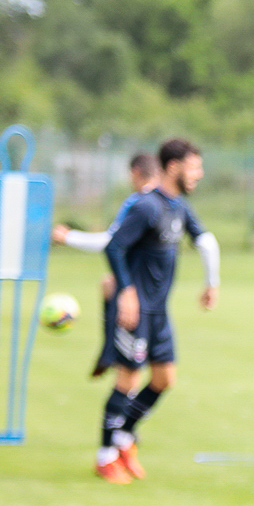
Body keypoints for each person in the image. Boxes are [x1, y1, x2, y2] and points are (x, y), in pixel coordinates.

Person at [94, 139, 219, 483]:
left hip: (159, 313)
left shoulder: (179, 207)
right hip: (135, 311)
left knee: (164, 379)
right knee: (128, 379)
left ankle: (123, 437)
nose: (199, 174)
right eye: (194, 166)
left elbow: (203, 240)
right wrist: (127, 292)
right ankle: (105, 457)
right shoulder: (146, 206)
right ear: (174, 166)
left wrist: (211, 282)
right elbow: (114, 246)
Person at [52, 152, 160, 387]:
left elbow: (110, 242)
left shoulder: (139, 202)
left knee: (129, 371)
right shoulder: (168, 202)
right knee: (109, 283)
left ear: (134, 173)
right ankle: (109, 351)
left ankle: (110, 353)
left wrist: (69, 236)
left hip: (138, 292)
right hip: (159, 289)